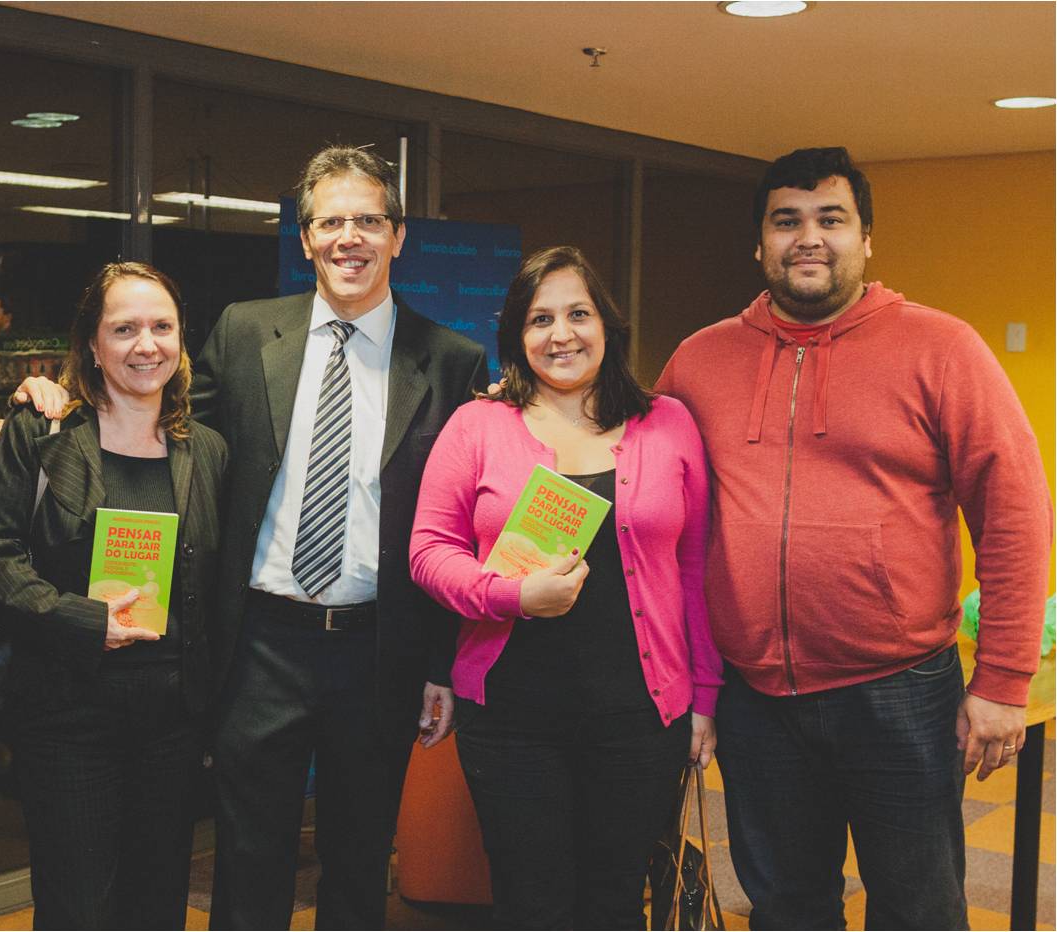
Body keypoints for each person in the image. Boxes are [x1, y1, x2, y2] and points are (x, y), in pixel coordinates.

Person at [655, 146, 1053, 929]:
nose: (809, 237)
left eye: (830, 219)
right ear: (760, 245)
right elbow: (632, 467)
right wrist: (526, 409)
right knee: (786, 907)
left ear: (866, 239)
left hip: (899, 692)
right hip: (756, 698)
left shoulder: (944, 349)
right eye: (787, 221)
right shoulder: (700, 360)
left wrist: (1003, 679)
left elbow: (1014, 512)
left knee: (917, 909)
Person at [192, 144, 488, 928]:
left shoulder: (452, 362)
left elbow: (462, 528)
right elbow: (170, 442)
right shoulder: (244, 333)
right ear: (305, 237)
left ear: (398, 236)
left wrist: (441, 666)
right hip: (261, 643)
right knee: (249, 861)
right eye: (330, 222)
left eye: (367, 220)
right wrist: (60, 404)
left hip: (378, 651)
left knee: (360, 863)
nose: (348, 237)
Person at [409, 245, 722, 928]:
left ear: (607, 326)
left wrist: (705, 697)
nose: (561, 335)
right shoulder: (478, 425)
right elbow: (429, 552)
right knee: (533, 904)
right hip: (514, 719)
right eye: (539, 318)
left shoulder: (668, 423)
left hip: (642, 717)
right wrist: (511, 596)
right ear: (517, 337)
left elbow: (695, 570)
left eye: (578, 314)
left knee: (615, 902)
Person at [0, 261, 227, 929]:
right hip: (66, 715)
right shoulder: (42, 433)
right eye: (125, 329)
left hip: (170, 720)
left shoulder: (206, 450)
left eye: (162, 327)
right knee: (78, 908)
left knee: (157, 905)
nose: (147, 344)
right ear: (90, 343)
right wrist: (81, 619)